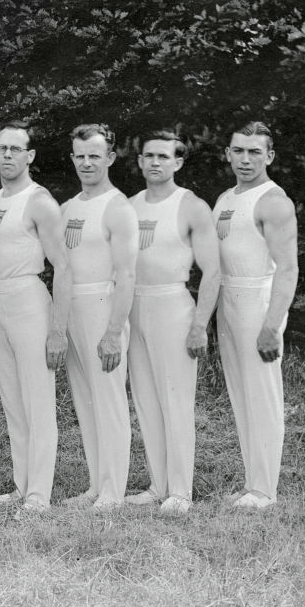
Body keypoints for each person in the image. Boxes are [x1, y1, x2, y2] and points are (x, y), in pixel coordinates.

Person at [124, 130, 220, 515]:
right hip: (135, 306)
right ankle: (157, 484)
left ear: (178, 162)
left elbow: (213, 271)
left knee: (175, 400)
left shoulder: (191, 206)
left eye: (163, 156)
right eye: (149, 155)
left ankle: (180, 491)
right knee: (146, 400)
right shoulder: (129, 206)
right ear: (140, 161)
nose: (155, 162)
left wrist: (199, 325)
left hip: (172, 306)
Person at [0, 121, 72, 516]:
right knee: (13, 401)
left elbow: (64, 267)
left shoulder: (40, 201)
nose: (7, 155)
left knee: (38, 402)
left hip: (29, 301)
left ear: (30, 155)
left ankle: (39, 495)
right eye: (1, 148)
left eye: (15, 149)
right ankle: (22, 486)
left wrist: (57, 330)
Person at [213, 122, 298, 509]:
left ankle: (265, 490)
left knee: (262, 395)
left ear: (270, 156)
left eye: (254, 152)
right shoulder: (225, 198)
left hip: (257, 302)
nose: (245, 159)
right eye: (238, 150)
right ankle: (252, 483)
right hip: (229, 299)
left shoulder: (274, 201)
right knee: (241, 394)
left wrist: (271, 326)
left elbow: (288, 269)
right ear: (228, 153)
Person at [61, 123, 138, 510]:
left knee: (108, 400)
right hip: (72, 308)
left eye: (95, 155)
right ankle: (95, 485)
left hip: (103, 307)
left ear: (109, 157)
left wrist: (112, 332)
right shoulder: (67, 208)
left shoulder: (118, 207)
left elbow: (126, 275)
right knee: (85, 400)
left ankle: (113, 492)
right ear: (72, 158)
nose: (87, 163)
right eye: (80, 156)